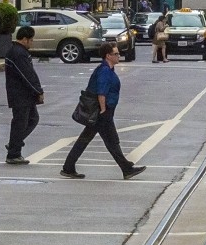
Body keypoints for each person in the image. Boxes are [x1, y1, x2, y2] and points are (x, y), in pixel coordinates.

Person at [60, 42, 146, 180]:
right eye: (116, 54)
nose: (119, 56)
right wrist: (104, 109)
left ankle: (68, 167)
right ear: (108, 56)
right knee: (111, 141)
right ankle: (126, 168)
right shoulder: (104, 71)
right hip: (101, 112)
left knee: (86, 139)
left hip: (101, 111)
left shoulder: (107, 69)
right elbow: (101, 92)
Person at [3, 26, 45, 165]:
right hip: (20, 94)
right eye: (31, 40)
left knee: (32, 119)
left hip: (23, 94)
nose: (32, 43)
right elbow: (27, 75)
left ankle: (14, 143)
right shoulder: (18, 53)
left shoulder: (18, 52)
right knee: (21, 122)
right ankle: (14, 152)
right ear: (25, 39)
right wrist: (38, 91)